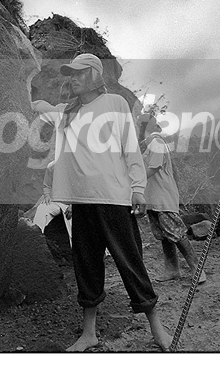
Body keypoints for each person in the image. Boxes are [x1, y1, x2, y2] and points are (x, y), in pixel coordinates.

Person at [46, 53, 172, 352]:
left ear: (94, 75)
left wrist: (138, 188)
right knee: (86, 265)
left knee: (130, 262)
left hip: (114, 198)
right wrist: (56, 190)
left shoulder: (115, 103)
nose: (73, 79)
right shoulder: (68, 113)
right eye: (71, 74)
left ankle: (157, 327)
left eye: (79, 73)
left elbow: (130, 148)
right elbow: (59, 153)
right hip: (82, 201)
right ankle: (89, 333)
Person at [138, 113, 205, 284]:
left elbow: (154, 167)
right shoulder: (148, 145)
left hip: (163, 196)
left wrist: (134, 180)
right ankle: (172, 269)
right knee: (164, 234)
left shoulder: (156, 142)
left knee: (176, 232)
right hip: (154, 197)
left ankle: (197, 268)